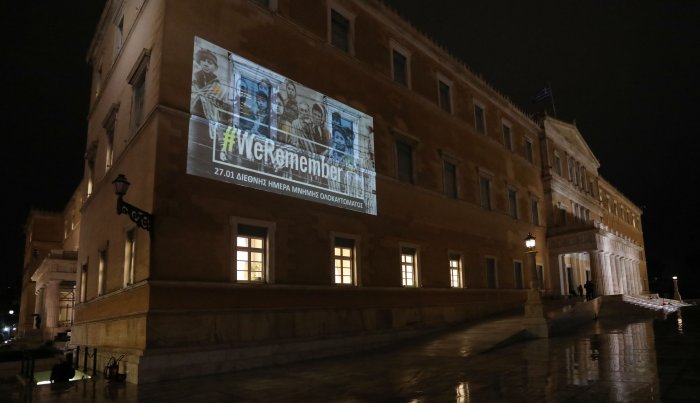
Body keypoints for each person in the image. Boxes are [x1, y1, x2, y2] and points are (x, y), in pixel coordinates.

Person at [191, 48, 229, 125]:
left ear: (214, 67)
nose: (206, 64)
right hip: (193, 115)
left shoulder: (216, 85)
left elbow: (220, 102)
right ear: (200, 62)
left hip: (209, 119)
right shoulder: (194, 78)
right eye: (203, 60)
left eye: (210, 62)